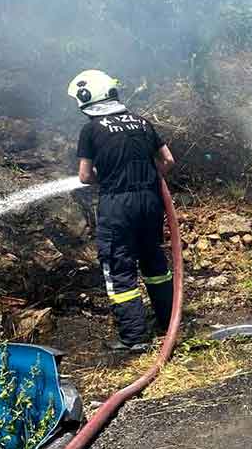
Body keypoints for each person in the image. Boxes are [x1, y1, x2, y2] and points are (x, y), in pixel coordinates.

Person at [68, 69, 175, 352]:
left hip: (118, 206)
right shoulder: (141, 122)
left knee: (119, 267)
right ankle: (169, 322)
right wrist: (151, 180)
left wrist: (111, 178)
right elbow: (167, 160)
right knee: (154, 262)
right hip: (151, 203)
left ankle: (135, 337)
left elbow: (84, 176)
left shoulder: (91, 129)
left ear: (86, 97)